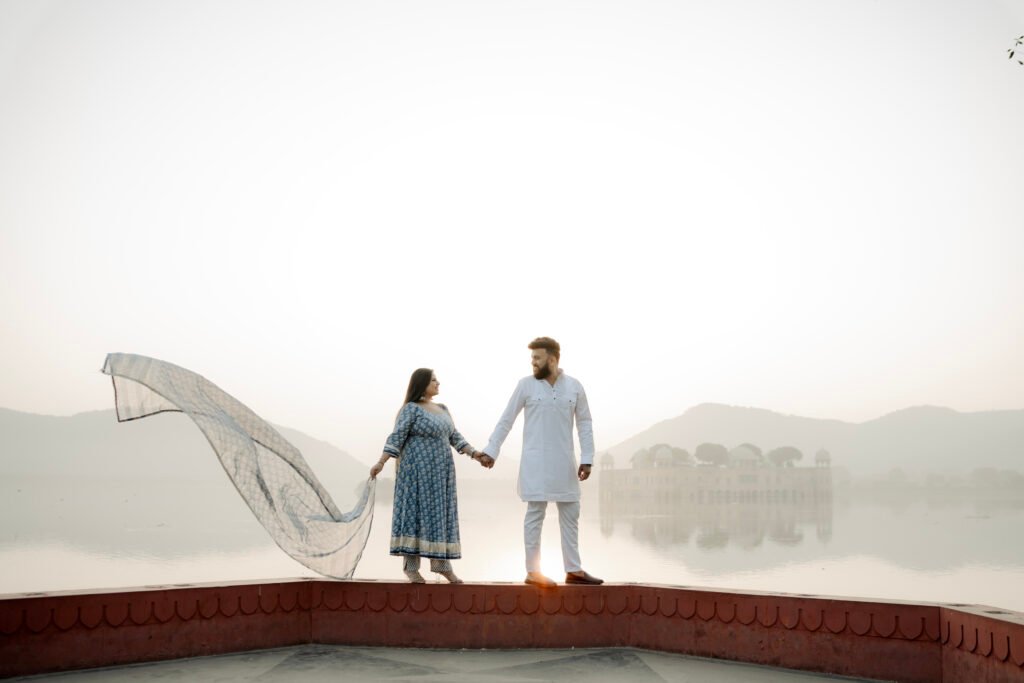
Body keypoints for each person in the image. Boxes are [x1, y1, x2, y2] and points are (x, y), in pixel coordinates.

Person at [478, 337, 603, 587]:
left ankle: (573, 570)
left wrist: (587, 458)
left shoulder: (575, 387)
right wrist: (491, 450)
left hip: (565, 461)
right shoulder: (526, 386)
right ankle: (533, 572)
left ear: (553, 359)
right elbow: (507, 419)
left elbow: (585, 424)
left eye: (537, 358)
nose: (532, 362)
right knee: (535, 514)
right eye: (532, 358)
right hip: (535, 462)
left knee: (570, 512)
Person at [370, 368, 483, 583]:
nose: (438, 383)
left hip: (440, 473)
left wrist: (476, 455)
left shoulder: (443, 409)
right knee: (415, 515)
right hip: (415, 473)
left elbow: (455, 437)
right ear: (422, 383)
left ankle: (441, 565)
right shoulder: (411, 409)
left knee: (438, 514)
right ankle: (411, 567)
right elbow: (397, 437)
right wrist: (381, 462)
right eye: (433, 380)